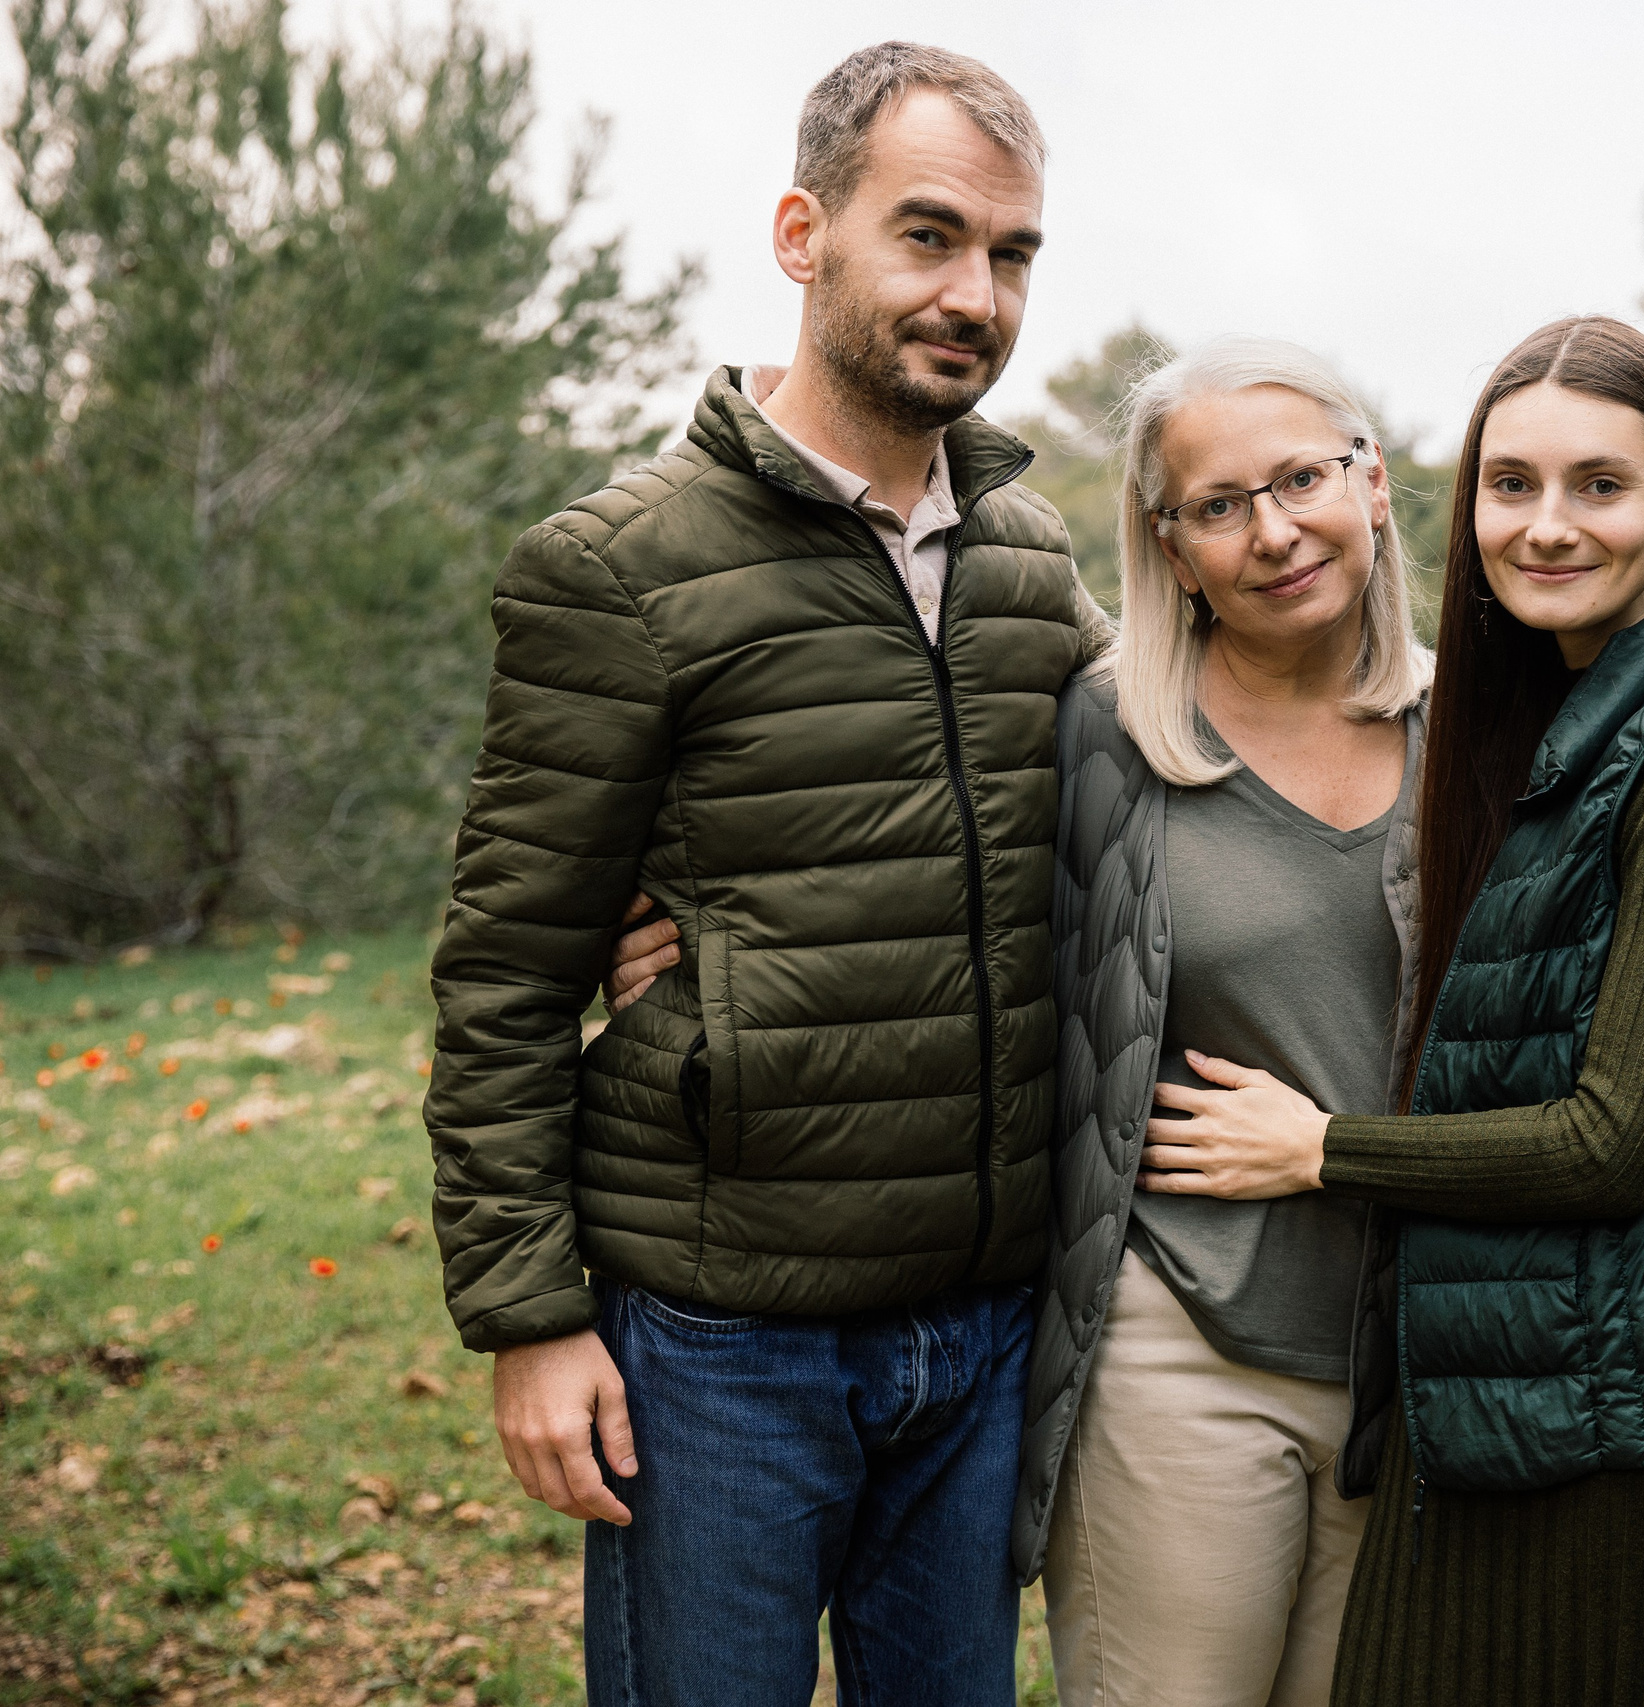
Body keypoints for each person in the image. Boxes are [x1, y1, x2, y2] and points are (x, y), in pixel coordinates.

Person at [603, 337, 1644, 1705]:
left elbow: (1604, 1012)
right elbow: (921, 880)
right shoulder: (1105, 733)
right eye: (1218, 505)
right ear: (1169, 545)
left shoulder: (1492, 730)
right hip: (1186, 1328)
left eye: (1301, 480)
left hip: (1427, 1358)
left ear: (1371, 484)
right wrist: (704, 950)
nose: (1273, 531)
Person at [424, 42, 1109, 1707]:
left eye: (1012, 253)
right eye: (928, 235)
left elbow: (1210, 751)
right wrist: (531, 1317)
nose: (975, 295)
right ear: (804, 235)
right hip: (722, 1342)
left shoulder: (1032, 560)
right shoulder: (618, 569)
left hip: (983, 1327)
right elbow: (508, 974)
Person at [1140, 315, 1644, 1707]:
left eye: (1599, 484)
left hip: (1627, 1423)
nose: (1547, 525)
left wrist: (1320, 1150)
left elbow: (1611, 1142)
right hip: (1502, 1394)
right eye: (1513, 485)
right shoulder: (1533, 717)